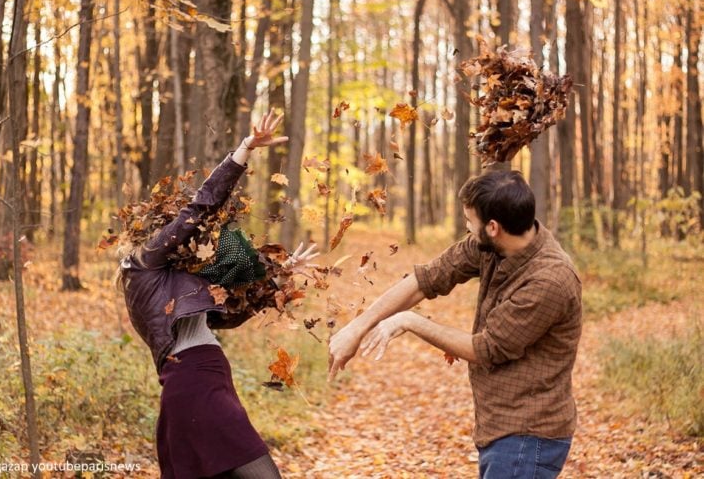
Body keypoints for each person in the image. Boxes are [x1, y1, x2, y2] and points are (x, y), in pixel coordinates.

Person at [328, 170, 582, 478]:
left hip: (528, 435)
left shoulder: (550, 280)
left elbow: (487, 348)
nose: (465, 226)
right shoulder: (491, 245)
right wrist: (358, 327)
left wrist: (411, 321)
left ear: (493, 227)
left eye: (468, 219)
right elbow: (427, 279)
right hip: (501, 426)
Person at [117, 109, 319, 479]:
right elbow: (199, 208)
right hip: (195, 384)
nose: (181, 232)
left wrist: (280, 275)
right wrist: (244, 149)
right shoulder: (146, 261)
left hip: (207, 380)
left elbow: (228, 315)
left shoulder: (168, 278)